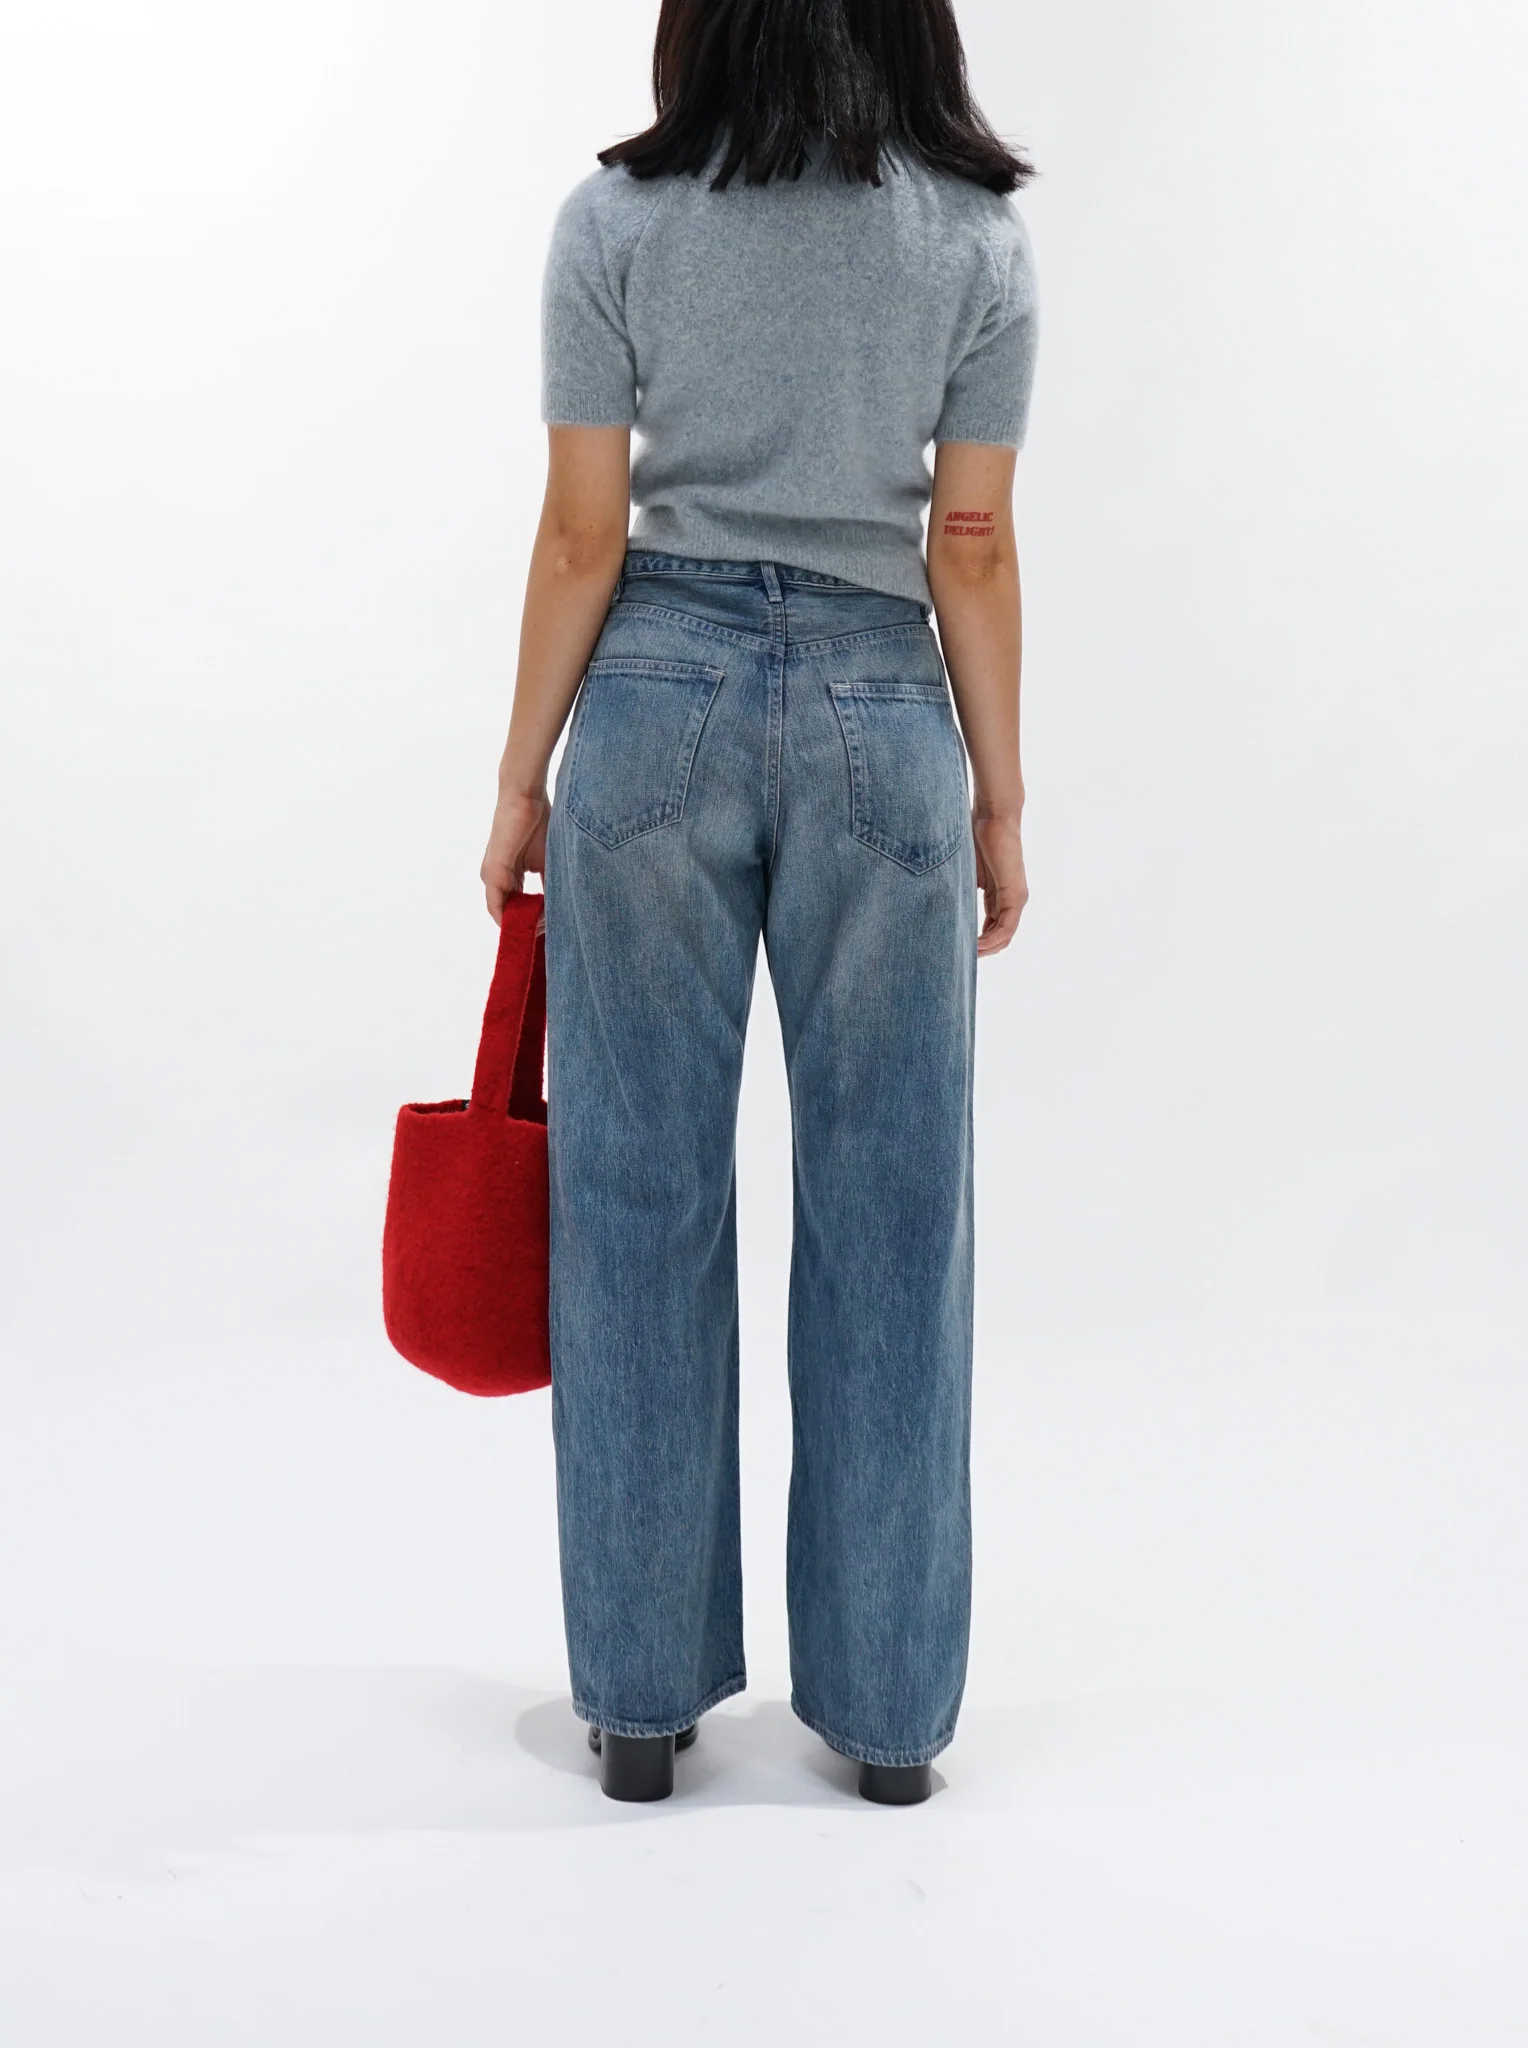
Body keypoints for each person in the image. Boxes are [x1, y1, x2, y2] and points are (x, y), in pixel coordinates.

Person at [480, 0, 1039, 1805]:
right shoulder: (974, 241)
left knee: (634, 1195)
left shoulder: (616, 224)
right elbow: (969, 544)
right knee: (896, 1211)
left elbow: (586, 532)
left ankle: (642, 1708)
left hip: (655, 704)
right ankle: (888, 1725)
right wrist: (1000, 795)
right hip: (888, 712)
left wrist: (521, 778)